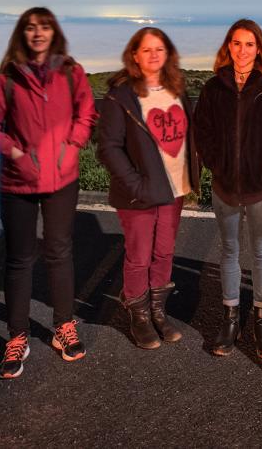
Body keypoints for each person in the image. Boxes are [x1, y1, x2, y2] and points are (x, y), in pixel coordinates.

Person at [0, 7, 97, 379]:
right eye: (31, 27)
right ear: (22, 33)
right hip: (17, 181)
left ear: (54, 33)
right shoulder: (6, 78)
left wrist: (72, 147)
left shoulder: (71, 73)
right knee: (19, 259)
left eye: (45, 27)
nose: (38, 33)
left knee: (59, 251)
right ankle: (17, 336)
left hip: (61, 179)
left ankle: (63, 327)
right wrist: (16, 154)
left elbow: (86, 113)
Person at [193, 19, 262, 358]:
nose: (242, 50)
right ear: (228, 47)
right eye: (236, 43)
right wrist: (216, 165)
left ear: (259, 48)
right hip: (224, 187)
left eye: (249, 44)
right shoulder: (213, 88)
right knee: (229, 251)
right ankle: (231, 318)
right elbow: (202, 131)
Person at [96, 26, 200, 350]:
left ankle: (158, 311)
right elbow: (108, 147)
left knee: (164, 251)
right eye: (147, 49)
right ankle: (138, 316)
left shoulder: (177, 90)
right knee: (139, 256)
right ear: (134, 55)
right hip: (138, 193)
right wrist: (136, 185)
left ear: (168, 54)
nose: (154, 54)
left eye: (160, 48)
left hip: (175, 187)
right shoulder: (121, 95)